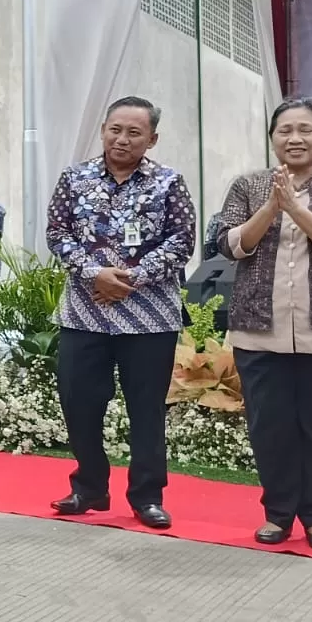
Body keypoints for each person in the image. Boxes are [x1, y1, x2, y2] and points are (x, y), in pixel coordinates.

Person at [215, 97, 312, 553]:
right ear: (272, 138)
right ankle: (278, 514)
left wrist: (296, 210)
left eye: (306, 130)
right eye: (285, 130)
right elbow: (229, 244)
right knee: (271, 427)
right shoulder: (248, 185)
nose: (295, 138)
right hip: (259, 330)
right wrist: (271, 206)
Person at [45, 96, 196, 530]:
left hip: (149, 317)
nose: (122, 139)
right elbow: (57, 232)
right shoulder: (74, 178)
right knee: (78, 402)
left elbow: (182, 240)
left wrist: (130, 279)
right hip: (85, 313)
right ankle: (90, 487)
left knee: (146, 410)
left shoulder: (168, 182)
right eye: (115, 129)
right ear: (103, 130)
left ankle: (147, 496)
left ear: (152, 139)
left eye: (134, 132)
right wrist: (95, 274)